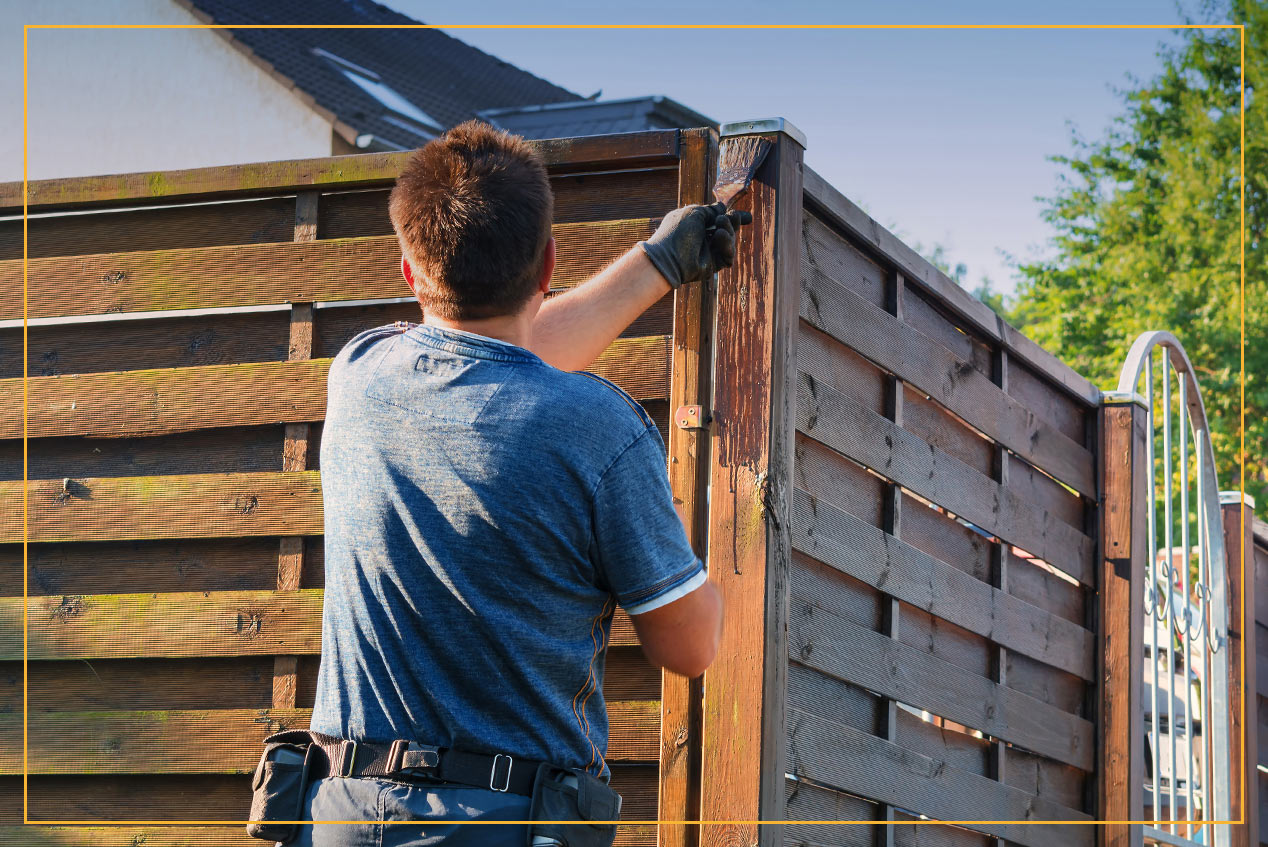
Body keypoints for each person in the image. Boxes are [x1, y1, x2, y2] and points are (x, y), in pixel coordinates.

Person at [288, 120, 745, 846]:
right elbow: (690, 647)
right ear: (547, 265)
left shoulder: (359, 375)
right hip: (506, 826)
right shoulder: (599, 428)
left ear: (409, 271)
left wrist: (657, 265)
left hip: (344, 816)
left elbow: (493, 359)